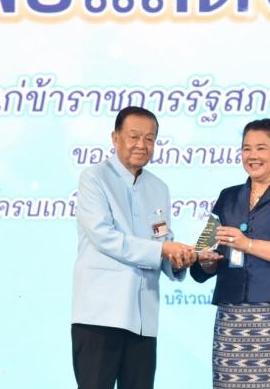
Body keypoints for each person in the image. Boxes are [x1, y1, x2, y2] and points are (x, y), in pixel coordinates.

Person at [71, 106, 197, 389]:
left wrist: (178, 259)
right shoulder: (94, 178)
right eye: (134, 136)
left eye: (150, 138)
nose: (142, 144)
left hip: (143, 319)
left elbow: (161, 239)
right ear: (115, 137)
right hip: (100, 316)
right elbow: (104, 236)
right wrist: (163, 250)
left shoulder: (159, 188)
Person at [191, 118, 270, 388]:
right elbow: (206, 244)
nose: (252, 156)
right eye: (246, 148)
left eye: (261, 148)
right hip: (233, 318)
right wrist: (205, 260)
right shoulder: (228, 197)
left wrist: (247, 244)